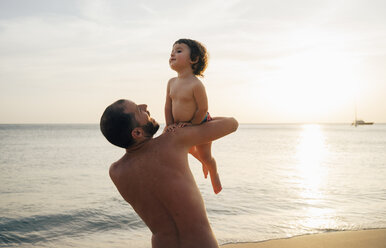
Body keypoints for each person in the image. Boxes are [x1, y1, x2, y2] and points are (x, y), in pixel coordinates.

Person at [100, 99, 238, 248]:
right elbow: (231, 124)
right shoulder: (174, 139)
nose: (145, 106)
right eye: (138, 110)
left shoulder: (116, 172)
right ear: (137, 132)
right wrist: (192, 124)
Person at [165, 38, 222, 194]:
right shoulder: (171, 82)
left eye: (178, 51)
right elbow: (168, 106)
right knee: (187, 149)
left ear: (194, 59)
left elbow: (203, 108)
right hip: (179, 125)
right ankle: (203, 162)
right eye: (171, 52)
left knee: (206, 155)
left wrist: (193, 124)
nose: (172, 54)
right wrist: (169, 124)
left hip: (200, 122)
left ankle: (213, 173)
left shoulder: (195, 84)